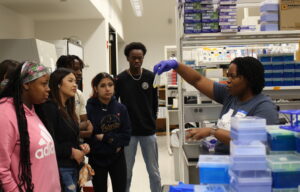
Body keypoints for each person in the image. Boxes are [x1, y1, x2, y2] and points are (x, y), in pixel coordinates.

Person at [154, 57, 279, 148]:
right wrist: (176, 65)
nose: (227, 81)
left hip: (245, 171)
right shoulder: (230, 95)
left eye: (232, 76)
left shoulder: (264, 107)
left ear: (249, 79)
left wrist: (212, 131)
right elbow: (198, 80)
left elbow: (254, 142)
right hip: (224, 163)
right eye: (227, 76)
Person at [0, 61, 61, 192]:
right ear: (26, 84)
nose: (48, 89)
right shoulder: (5, 113)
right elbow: (1, 169)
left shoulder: (34, 110)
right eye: (44, 83)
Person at [115, 42, 161, 192]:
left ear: (143, 58)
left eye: (140, 58)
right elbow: (115, 104)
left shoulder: (151, 76)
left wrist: (152, 121)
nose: (137, 61)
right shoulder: (120, 79)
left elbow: (155, 102)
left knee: (154, 172)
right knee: (126, 173)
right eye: (133, 58)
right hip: (128, 133)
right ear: (127, 58)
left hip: (148, 131)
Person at [36, 68, 90, 192]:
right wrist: (71, 152)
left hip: (73, 167)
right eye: (70, 81)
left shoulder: (67, 108)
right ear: (58, 84)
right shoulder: (49, 107)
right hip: (60, 168)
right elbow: (48, 144)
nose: (75, 84)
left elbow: (69, 137)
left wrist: (81, 146)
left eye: (76, 81)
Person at [86, 72, 131, 192]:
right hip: (97, 160)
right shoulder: (88, 109)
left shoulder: (121, 108)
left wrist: (105, 138)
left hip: (117, 158)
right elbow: (90, 138)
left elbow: (126, 136)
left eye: (110, 85)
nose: (107, 89)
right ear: (95, 88)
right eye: (103, 85)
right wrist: (114, 143)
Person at [56, 55, 93, 139]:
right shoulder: (50, 99)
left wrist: (84, 126)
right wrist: (77, 130)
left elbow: (85, 122)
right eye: (75, 69)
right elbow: (58, 131)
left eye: (80, 69)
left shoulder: (78, 94)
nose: (79, 73)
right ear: (62, 71)